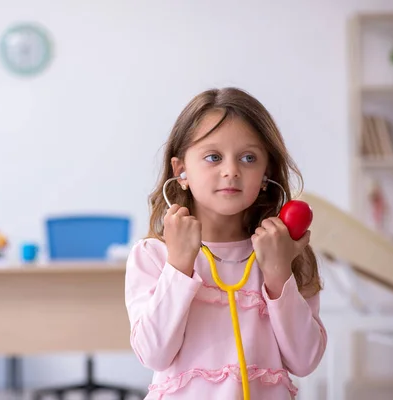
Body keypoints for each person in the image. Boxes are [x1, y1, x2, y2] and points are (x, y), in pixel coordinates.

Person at [125, 87, 327, 399]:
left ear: (265, 174)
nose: (231, 170)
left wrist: (277, 274)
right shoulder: (153, 256)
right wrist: (178, 267)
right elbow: (154, 355)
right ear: (181, 172)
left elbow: (305, 360)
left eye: (248, 158)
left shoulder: (283, 252)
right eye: (213, 157)